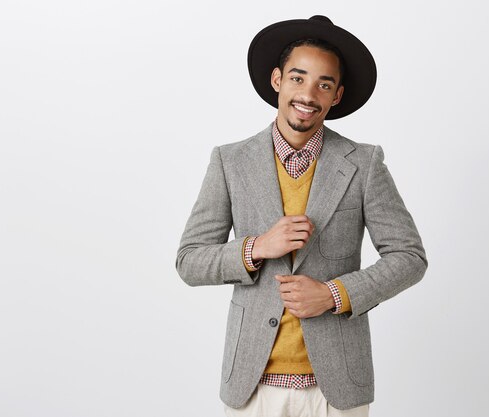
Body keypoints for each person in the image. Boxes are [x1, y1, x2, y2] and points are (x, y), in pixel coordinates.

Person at [175, 15, 428, 417]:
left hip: (336, 388)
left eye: (323, 84)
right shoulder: (229, 161)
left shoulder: (364, 163)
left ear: (337, 95)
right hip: (251, 385)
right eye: (298, 78)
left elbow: (409, 258)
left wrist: (332, 294)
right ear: (277, 80)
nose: (308, 94)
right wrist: (257, 247)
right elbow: (189, 261)